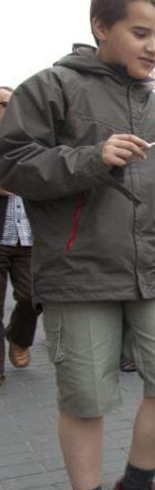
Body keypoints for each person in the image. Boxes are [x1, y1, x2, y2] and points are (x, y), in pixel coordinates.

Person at [0, 0, 155, 490]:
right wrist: (91, 158)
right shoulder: (50, 88)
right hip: (78, 269)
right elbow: (12, 164)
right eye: (141, 32)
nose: (154, 47)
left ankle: (135, 488)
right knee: (86, 397)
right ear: (100, 27)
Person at [0, 85, 41, 385]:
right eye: (2, 103)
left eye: (10, 103)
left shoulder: (30, 143)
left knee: (30, 298)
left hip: (27, 238)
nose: (7, 108)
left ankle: (18, 336)